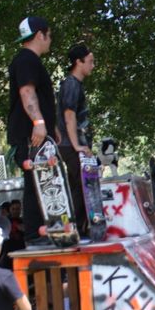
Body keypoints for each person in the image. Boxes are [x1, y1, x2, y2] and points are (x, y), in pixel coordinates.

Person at [7, 16, 57, 247]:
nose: (50, 40)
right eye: (49, 35)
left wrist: (51, 127)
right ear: (39, 34)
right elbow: (27, 92)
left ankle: (43, 232)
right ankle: (35, 236)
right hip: (30, 136)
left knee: (42, 181)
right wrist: (38, 122)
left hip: (37, 135)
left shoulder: (29, 60)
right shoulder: (27, 60)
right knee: (36, 182)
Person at [57, 43, 96, 235]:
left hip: (71, 143)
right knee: (82, 185)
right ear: (78, 62)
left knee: (77, 186)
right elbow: (69, 115)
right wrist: (77, 145)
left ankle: (76, 227)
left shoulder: (75, 84)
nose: (93, 66)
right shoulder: (71, 84)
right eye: (90, 61)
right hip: (70, 144)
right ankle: (76, 229)